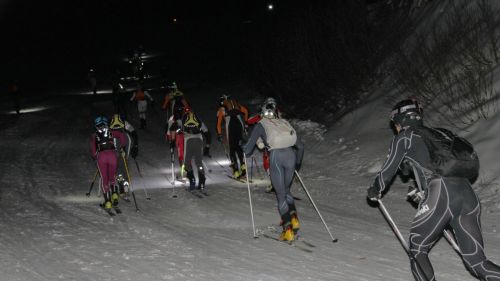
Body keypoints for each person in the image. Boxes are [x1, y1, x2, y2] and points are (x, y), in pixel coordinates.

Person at [367, 98, 500, 281]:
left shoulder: (405, 137)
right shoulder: (439, 134)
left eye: (395, 123)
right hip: (467, 195)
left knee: (417, 249)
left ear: (400, 120)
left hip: (442, 192)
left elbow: (388, 171)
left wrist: (376, 189)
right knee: (478, 262)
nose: (395, 128)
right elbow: (428, 166)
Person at [243, 98, 304, 241]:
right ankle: (294, 218)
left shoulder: (260, 125)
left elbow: (247, 150)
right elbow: (300, 146)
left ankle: (288, 229)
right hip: (291, 155)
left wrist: (242, 145)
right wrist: (298, 164)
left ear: (262, 112)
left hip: (276, 156)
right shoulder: (283, 122)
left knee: (280, 194)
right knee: (287, 189)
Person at [90, 116, 128, 211]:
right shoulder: (112, 132)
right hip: (112, 155)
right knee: (112, 176)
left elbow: (93, 150)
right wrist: (122, 147)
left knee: (104, 178)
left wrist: (95, 156)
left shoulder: (94, 135)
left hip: (102, 157)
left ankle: (107, 201)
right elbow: (121, 135)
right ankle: (114, 194)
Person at [247, 97, 280, 192]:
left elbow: (250, 120)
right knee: (270, 162)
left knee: (268, 162)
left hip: (271, 140)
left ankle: (275, 182)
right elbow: (250, 120)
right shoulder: (272, 112)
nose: (271, 107)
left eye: (272, 105)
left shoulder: (275, 113)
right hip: (277, 140)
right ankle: (275, 182)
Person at [217, 94, 249, 179]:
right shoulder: (236, 105)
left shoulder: (222, 109)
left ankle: (235, 171)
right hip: (239, 123)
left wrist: (219, 134)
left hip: (230, 124)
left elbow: (218, 124)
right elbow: (245, 111)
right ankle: (242, 165)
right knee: (239, 145)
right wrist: (245, 123)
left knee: (232, 148)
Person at [179, 106, 211, 191]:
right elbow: (207, 133)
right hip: (199, 139)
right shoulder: (198, 119)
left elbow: (174, 128)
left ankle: (192, 181)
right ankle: (202, 183)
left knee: (186, 163)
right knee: (199, 163)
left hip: (188, 140)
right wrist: (207, 146)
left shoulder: (183, 118)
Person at [162, 82, 189, 149]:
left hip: (175, 114)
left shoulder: (169, 95)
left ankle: (171, 139)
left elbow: (164, 106)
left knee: (169, 124)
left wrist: (165, 105)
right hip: (182, 114)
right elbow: (186, 104)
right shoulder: (180, 93)